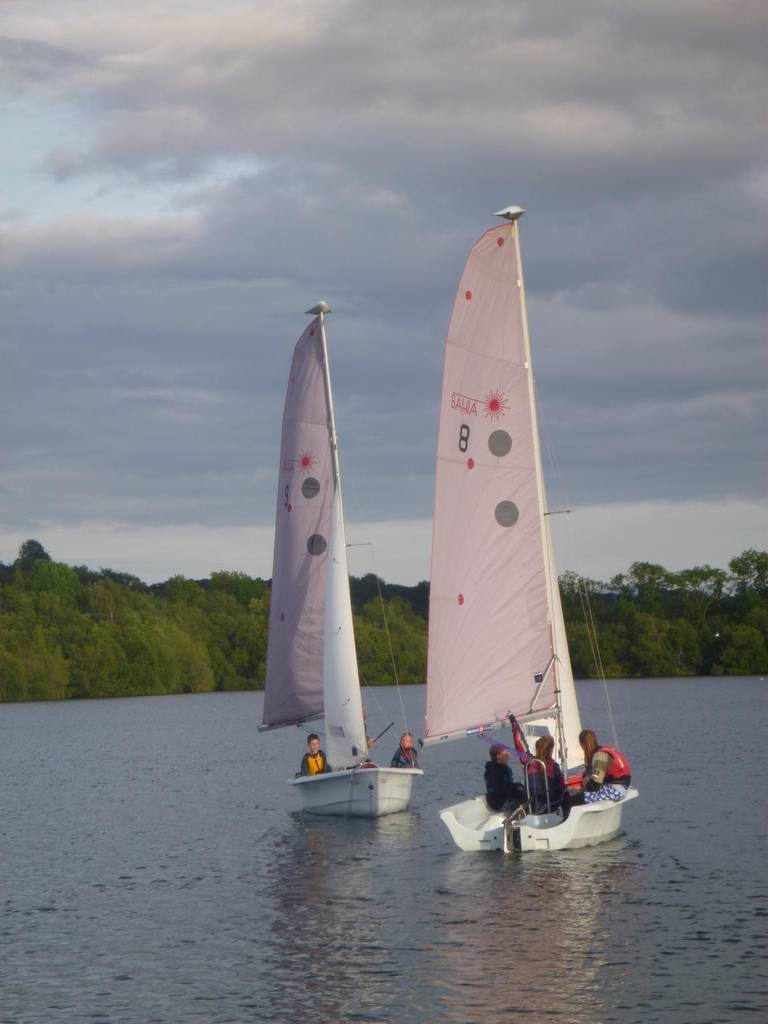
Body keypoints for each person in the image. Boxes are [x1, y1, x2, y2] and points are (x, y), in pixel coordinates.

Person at [508, 715, 569, 818]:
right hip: (548, 807)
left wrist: (514, 724)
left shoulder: (528, 762)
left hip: (531, 807)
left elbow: (520, 743)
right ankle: (565, 819)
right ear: (551, 750)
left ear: (537, 747)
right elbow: (561, 787)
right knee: (566, 794)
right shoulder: (554, 766)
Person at [575, 729, 632, 803]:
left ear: (583, 744)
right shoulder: (603, 751)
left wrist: (586, 784)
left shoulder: (600, 756)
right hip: (623, 786)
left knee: (575, 799)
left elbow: (595, 786)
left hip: (617, 789)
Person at [484, 745, 526, 813]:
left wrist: (517, 787)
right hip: (499, 802)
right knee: (527, 804)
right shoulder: (494, 771)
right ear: (498, 756)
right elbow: (499, 790)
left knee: (524, 794)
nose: (509, 755)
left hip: (505, 798)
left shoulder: (504, 768)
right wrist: (515, 789)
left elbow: (507, 786)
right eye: (506, 754)